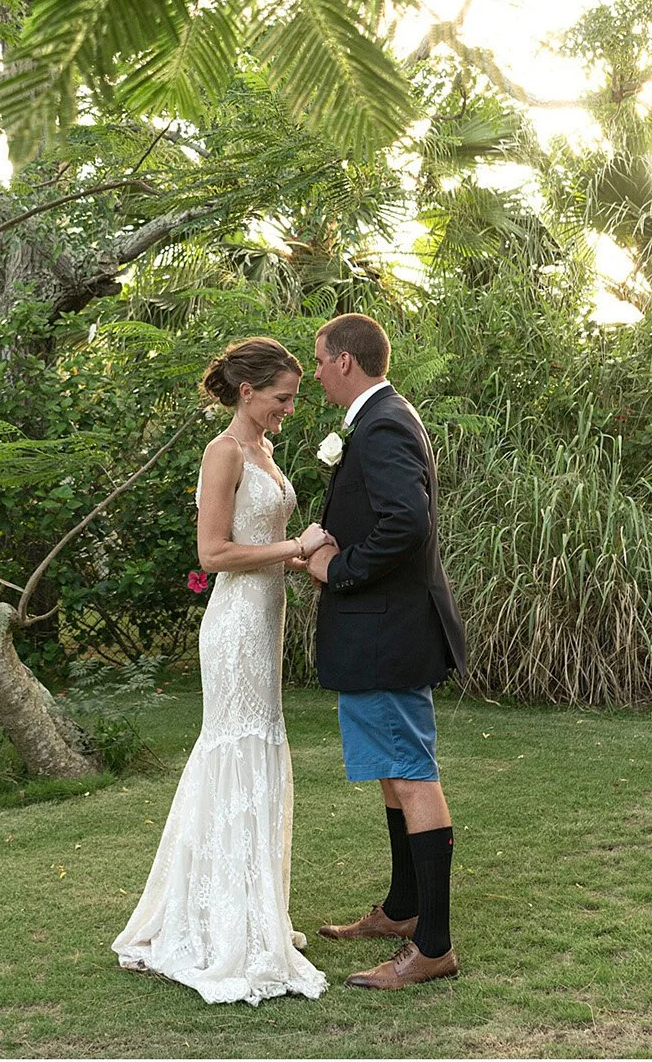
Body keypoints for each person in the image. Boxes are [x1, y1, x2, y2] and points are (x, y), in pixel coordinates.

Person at [111, 337, 329, 1005]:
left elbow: (256, 546)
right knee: (233, 749)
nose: (290, 409)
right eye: (282, 398)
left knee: (259, 750)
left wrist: (305, 564)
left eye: (293, 398)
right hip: (234, 627)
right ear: (247, 393)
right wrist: (298, 543)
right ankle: (214, 922)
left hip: (267, 618)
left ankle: (251, 911)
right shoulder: (225, 452)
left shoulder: (264, 451)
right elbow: (211, 553)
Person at [302, 312, 469, 990]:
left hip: (388, 631)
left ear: (345, 361)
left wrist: (339, 570)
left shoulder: (385, 423)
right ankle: (403, 910)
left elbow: (408, 520)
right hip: (378, 630)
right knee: (392, 772)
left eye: (318, 360)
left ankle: (432, 947)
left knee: (411, 773)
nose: (314, 372)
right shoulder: (378, 419)